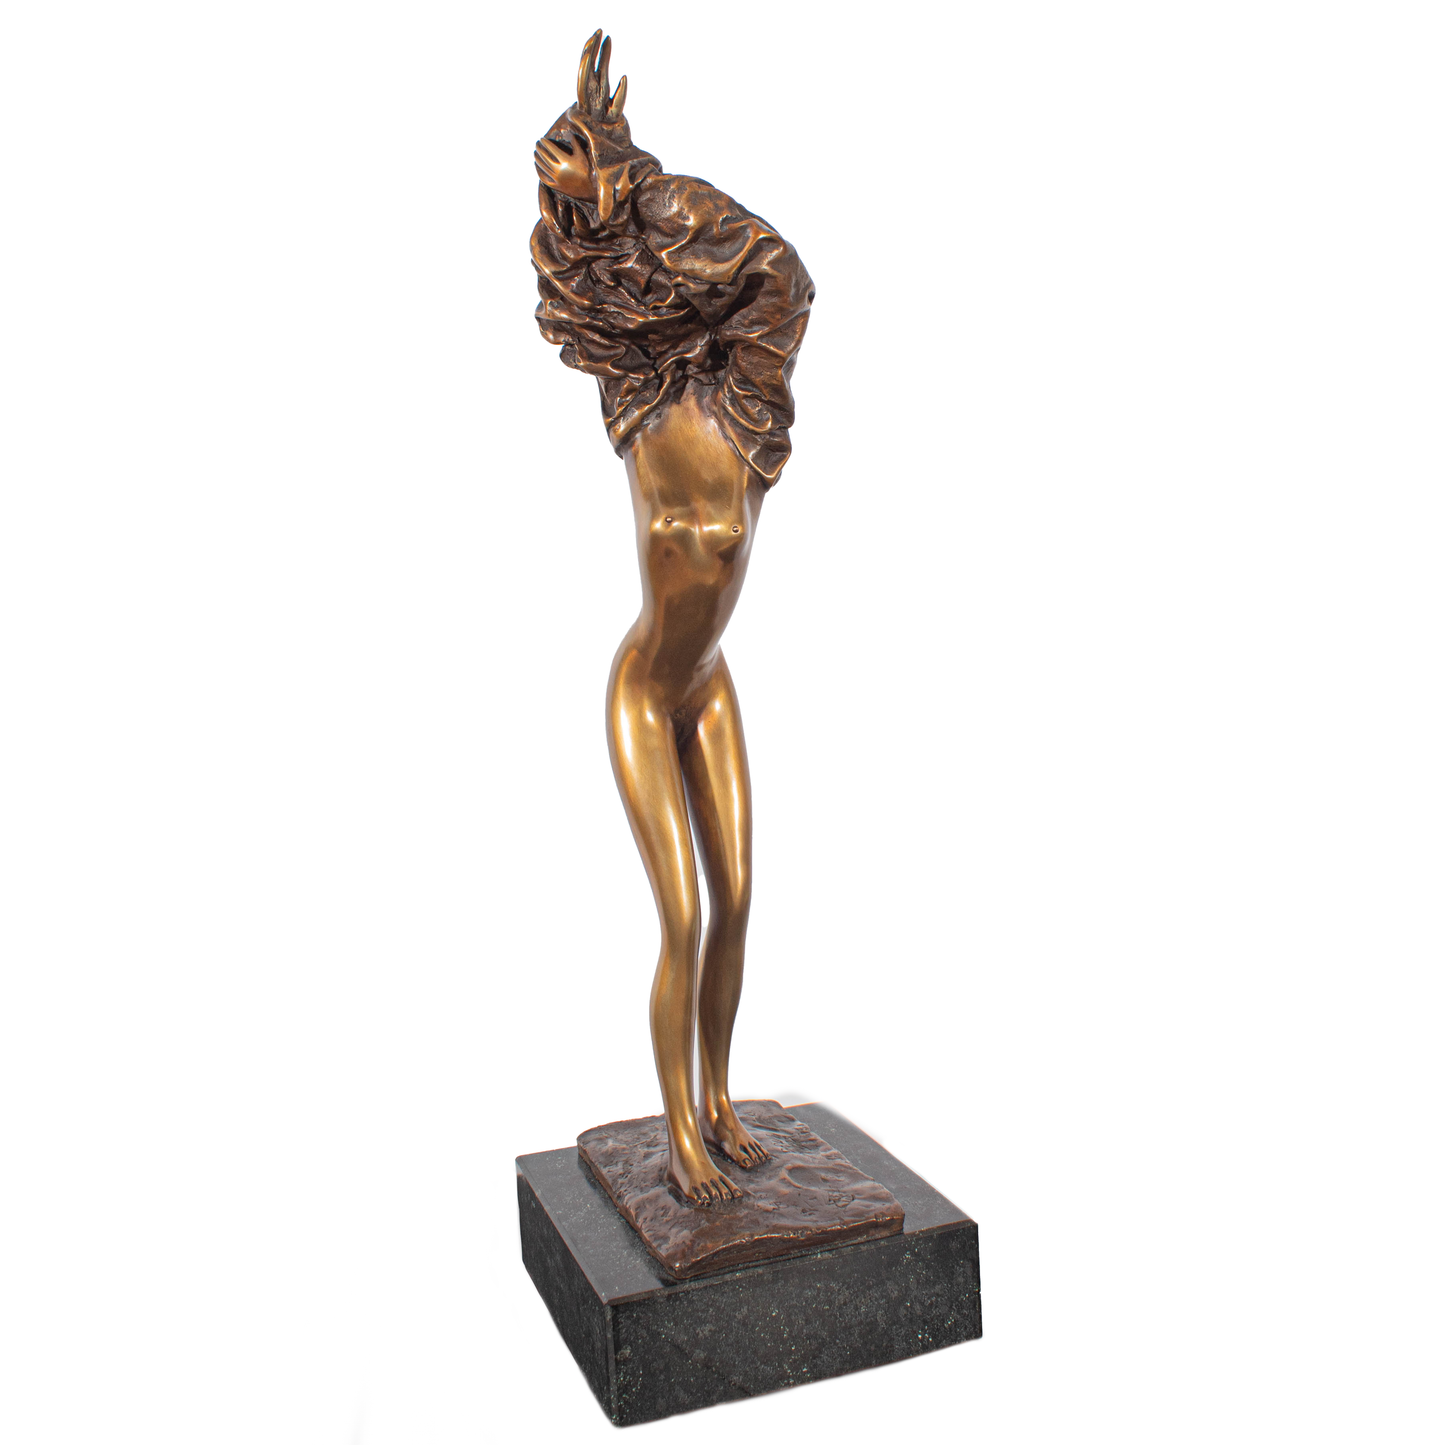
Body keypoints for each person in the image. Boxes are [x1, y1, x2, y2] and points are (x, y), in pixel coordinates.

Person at [531, 32, 813, 1206]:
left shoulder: (744, 411)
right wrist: (592, 174)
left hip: (711, 684)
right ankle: (677, 1130)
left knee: (738, 897)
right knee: (684, 912)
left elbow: (781, 270)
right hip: (649, 689)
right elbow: (579, 271)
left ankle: (719, 1102)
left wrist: (641, 182)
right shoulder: (636, 399)